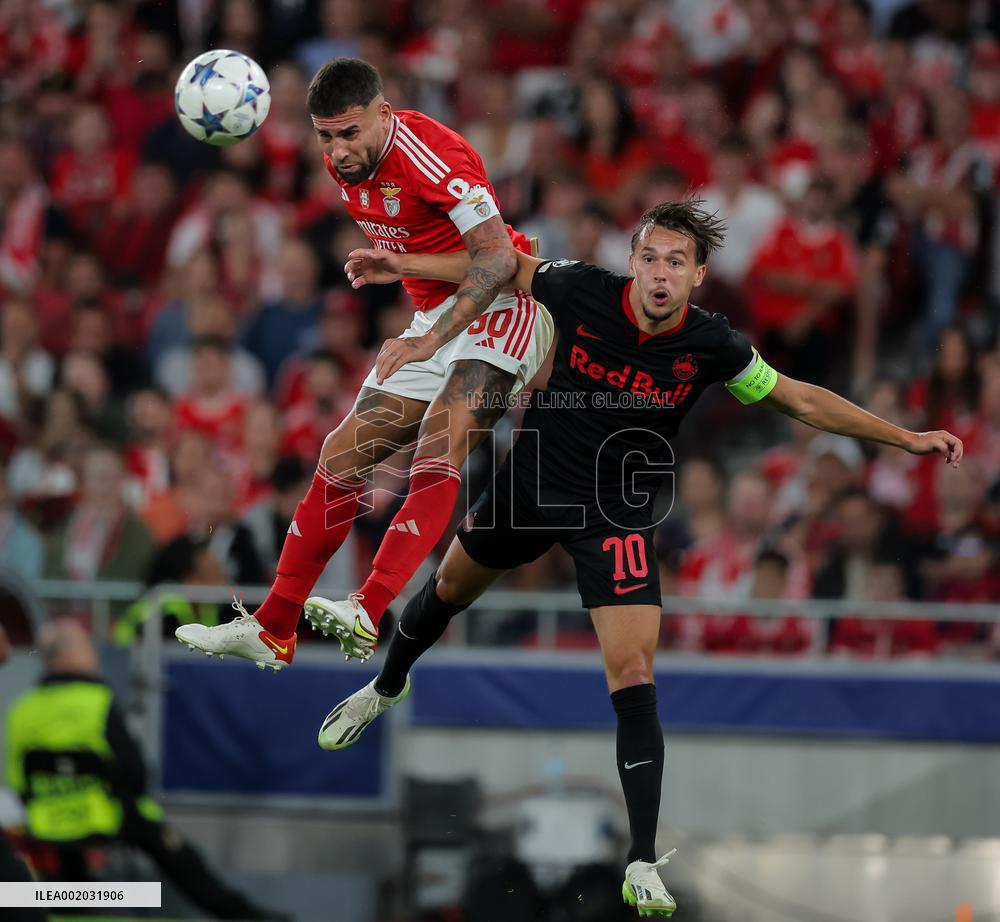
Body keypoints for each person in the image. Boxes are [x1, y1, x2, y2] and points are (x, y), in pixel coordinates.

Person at [319, 201, 964, 918]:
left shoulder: (712, 344)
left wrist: (904, 438)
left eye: (676, 263)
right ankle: (386, 687)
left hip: (617, 516)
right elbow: (494, 265)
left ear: (699, 276)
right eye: (651, 257)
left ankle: (641, 859)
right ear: (633, 261)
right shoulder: (577, 288)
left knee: (633, 671)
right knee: (445, 589)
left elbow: (801, 401)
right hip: (532, 487)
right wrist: (400, 263)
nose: (661, 273)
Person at [176, 57, 552, 669]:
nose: (339, 150)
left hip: (508, 309)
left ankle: (370, 606)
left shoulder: (434, 155)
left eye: (350, 133)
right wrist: (403, 270)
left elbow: (501, 260)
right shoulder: (338, 160)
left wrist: (423, 323)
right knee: (340, 456)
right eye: (326, 135)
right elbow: (431, 249)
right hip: (436, 318)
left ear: (384, 113)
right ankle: (273, 626)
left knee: (438, 445)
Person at [4, 618, 286, 921]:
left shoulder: (21, 709)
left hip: (46, 823)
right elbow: (134, 773)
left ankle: (74, 907)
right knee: (176, 853)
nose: (95, 655)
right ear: (69, 654)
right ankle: (243, 915)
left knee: (49, 879)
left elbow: (17, 781)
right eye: (88, 646)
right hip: (105, 817)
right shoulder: (98, 701)